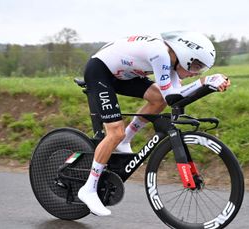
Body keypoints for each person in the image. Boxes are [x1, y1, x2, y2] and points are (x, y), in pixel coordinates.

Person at [78, 31, 231, 216]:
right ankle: (89, 189)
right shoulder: (160, 54)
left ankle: (126, 140)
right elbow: (173, 96)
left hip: (122, 75)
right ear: (184, 55)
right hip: (100, 71)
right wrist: (204, 82)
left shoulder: (171, 59)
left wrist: (207, 86)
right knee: (114, 133)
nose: (195, 72)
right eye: (196, 65)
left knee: (158, 99)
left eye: (201, 69)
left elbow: (174, 97)